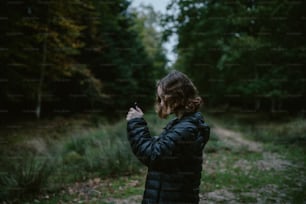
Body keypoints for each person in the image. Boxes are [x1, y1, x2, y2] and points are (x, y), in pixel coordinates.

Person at [126, 70, 210, 204]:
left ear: (176, 96)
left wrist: (135, 124)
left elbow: (153, 155)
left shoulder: (186, 129)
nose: (160, 103)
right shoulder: (183, 125)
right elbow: (164, 149)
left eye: (162, 98)